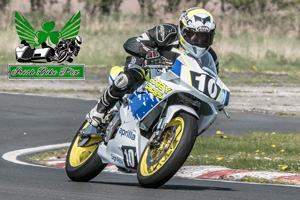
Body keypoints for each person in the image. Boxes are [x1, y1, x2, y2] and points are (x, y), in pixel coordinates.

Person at [86, 7, 219, 127]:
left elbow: (211, 80)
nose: (200, 42)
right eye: (195, 36)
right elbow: (132, 42)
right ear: (183, 31)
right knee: (129, 77)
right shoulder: (167, 32)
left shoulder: (211, 57)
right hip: (149, 68)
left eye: (205, 37)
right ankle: (100, 109)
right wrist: (149, 53)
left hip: (176, 85)